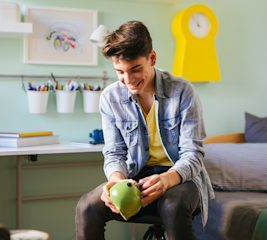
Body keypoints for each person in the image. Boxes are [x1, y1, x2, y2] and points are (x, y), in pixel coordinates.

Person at [75, 20, 214, 240]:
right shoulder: (110, 98)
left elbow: (193, 154)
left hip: (180, 177)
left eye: (135, 69)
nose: (128, 80)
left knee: (172, 205)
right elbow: (114, 152)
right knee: (87, 207)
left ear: (152, 58)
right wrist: (117, 180)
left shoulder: (183, 92)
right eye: (120, 72)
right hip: (135, 177)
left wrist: (167, 179)